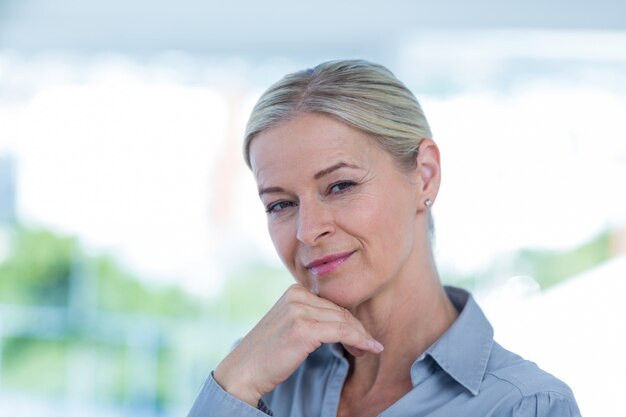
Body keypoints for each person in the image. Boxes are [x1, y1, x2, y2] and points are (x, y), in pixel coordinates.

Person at [188, 60, 580, 417]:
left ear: (425, 175)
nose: (308, 230)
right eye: (280, 205)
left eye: (340, 186)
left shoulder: (525, 406)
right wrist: (234, 383)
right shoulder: (258, 378)